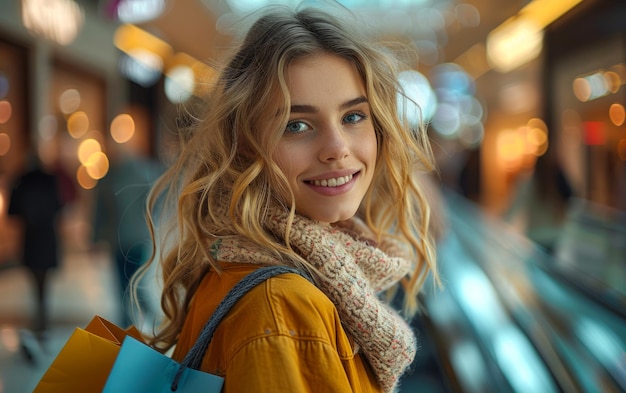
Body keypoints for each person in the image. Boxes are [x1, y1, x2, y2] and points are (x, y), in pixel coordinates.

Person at [140, 4, 438, 392]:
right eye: (296, 125)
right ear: (244, 146)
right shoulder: (284, 307)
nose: (336, 149)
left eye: (353, 117)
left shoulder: (241, 260)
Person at [8, 152, 64, 344]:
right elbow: (59, 206)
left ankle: (40, 316)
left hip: (31, 237)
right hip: (47, 237)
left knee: (36, 278)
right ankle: (43, 316)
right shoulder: (50, 180)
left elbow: (12, 211)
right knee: (44, 280)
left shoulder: (22, 181)